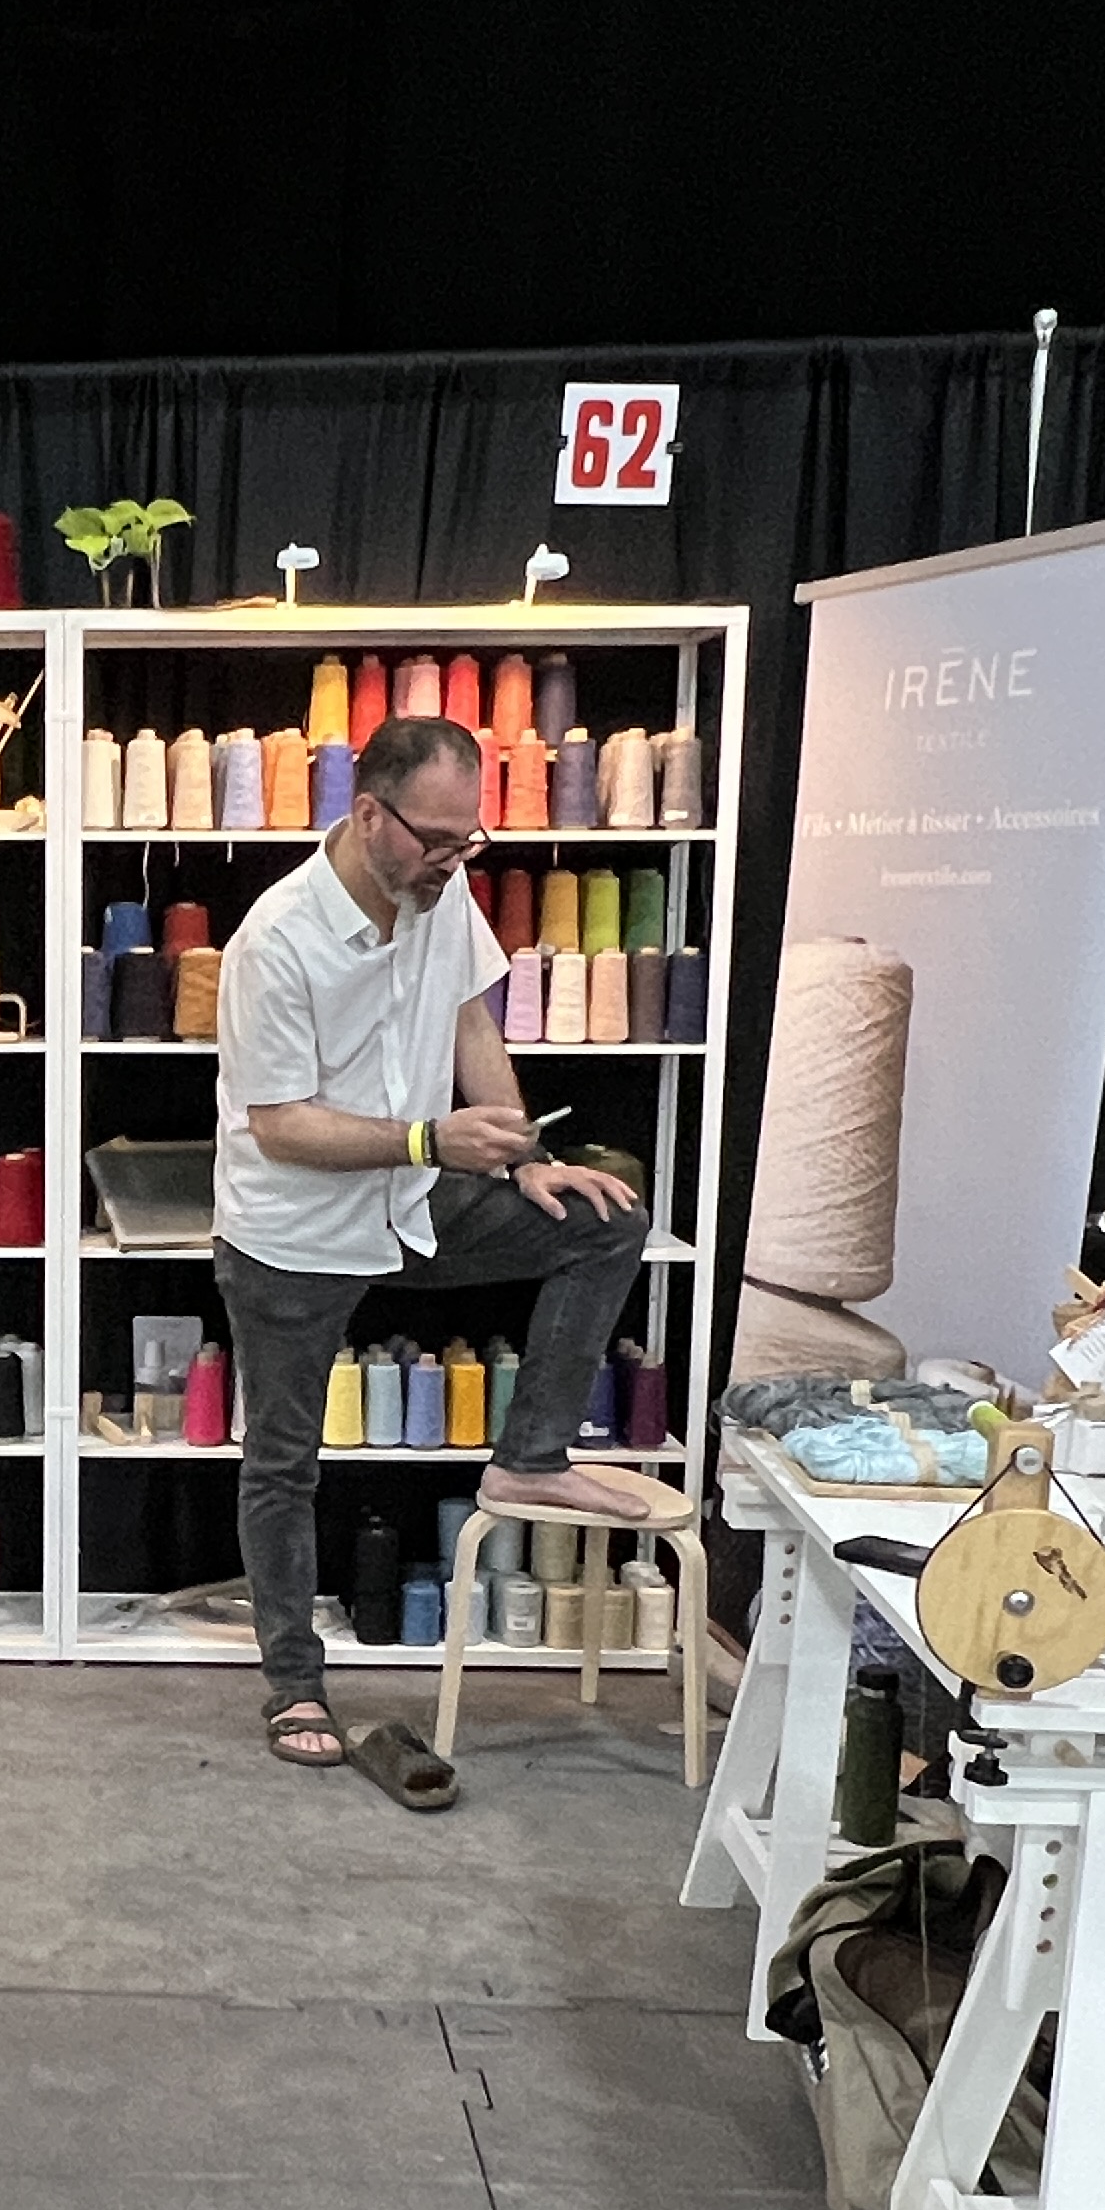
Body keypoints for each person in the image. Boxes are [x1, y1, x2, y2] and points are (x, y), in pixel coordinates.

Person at [210, 712, 682, 1773]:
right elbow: (279, 1124)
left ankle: (530, 1460)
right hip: (293, 1232)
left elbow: (472, 1020)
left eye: (467, 838)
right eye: (435, 838)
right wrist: (433, 1138)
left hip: (416, 1200)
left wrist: (523, 1160)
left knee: (606, 1221)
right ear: (368, 815)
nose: (453, 858)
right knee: (283, 1465)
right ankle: (294, 1686)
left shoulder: (440, 887)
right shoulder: (275, 940)